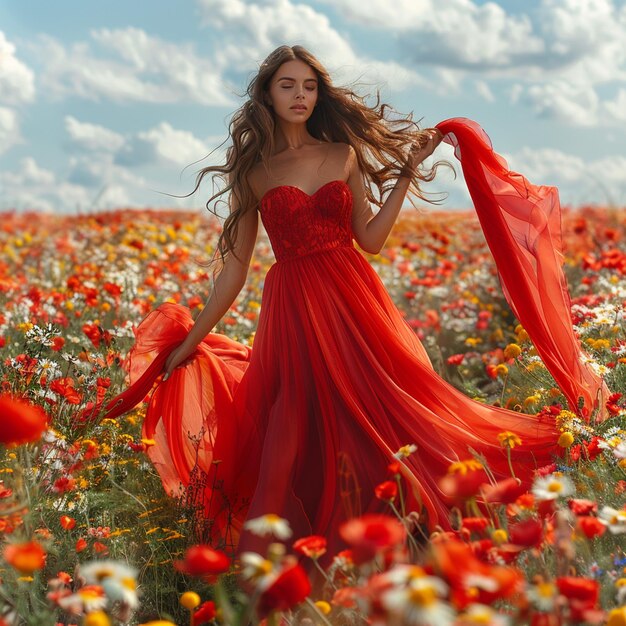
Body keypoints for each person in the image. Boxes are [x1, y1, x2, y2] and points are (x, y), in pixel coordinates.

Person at [100, 45, 607, 566]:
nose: (300, 96)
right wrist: (191, 340)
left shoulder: (341, 153)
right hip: (295, 305)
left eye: (309, 86)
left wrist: (407, 172)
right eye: (288, 86)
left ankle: (411, 517)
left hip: (355, 294)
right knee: (304, 416)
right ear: (267, 96)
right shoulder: (255, 173)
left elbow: (371, 238)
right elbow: (233, 273)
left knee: (389, 403)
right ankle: (323, 539)